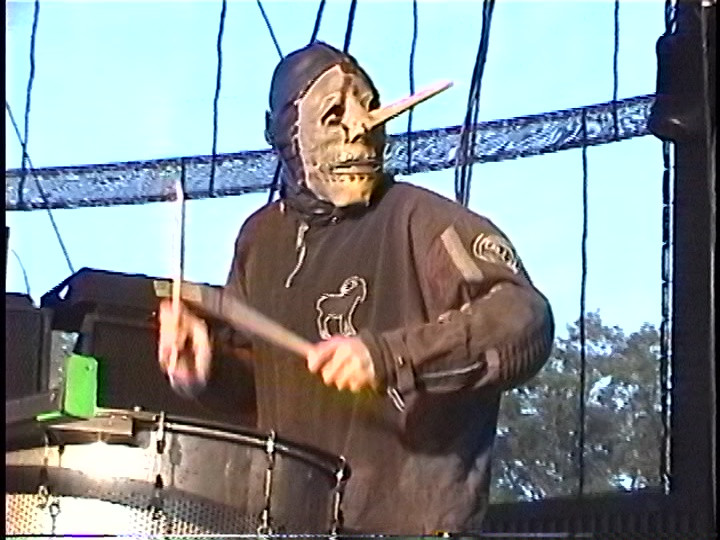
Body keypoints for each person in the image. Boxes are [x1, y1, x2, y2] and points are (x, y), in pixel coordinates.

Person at [158, 41, 554, 535]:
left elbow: (523, 319)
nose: (361, 126)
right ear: (280, 132)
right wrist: (206, 372)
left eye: (369, 107)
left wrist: (391, 356)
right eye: (333, 115)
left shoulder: (421, 221)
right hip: (293, 525)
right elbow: (258, 388)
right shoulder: (260, 240)